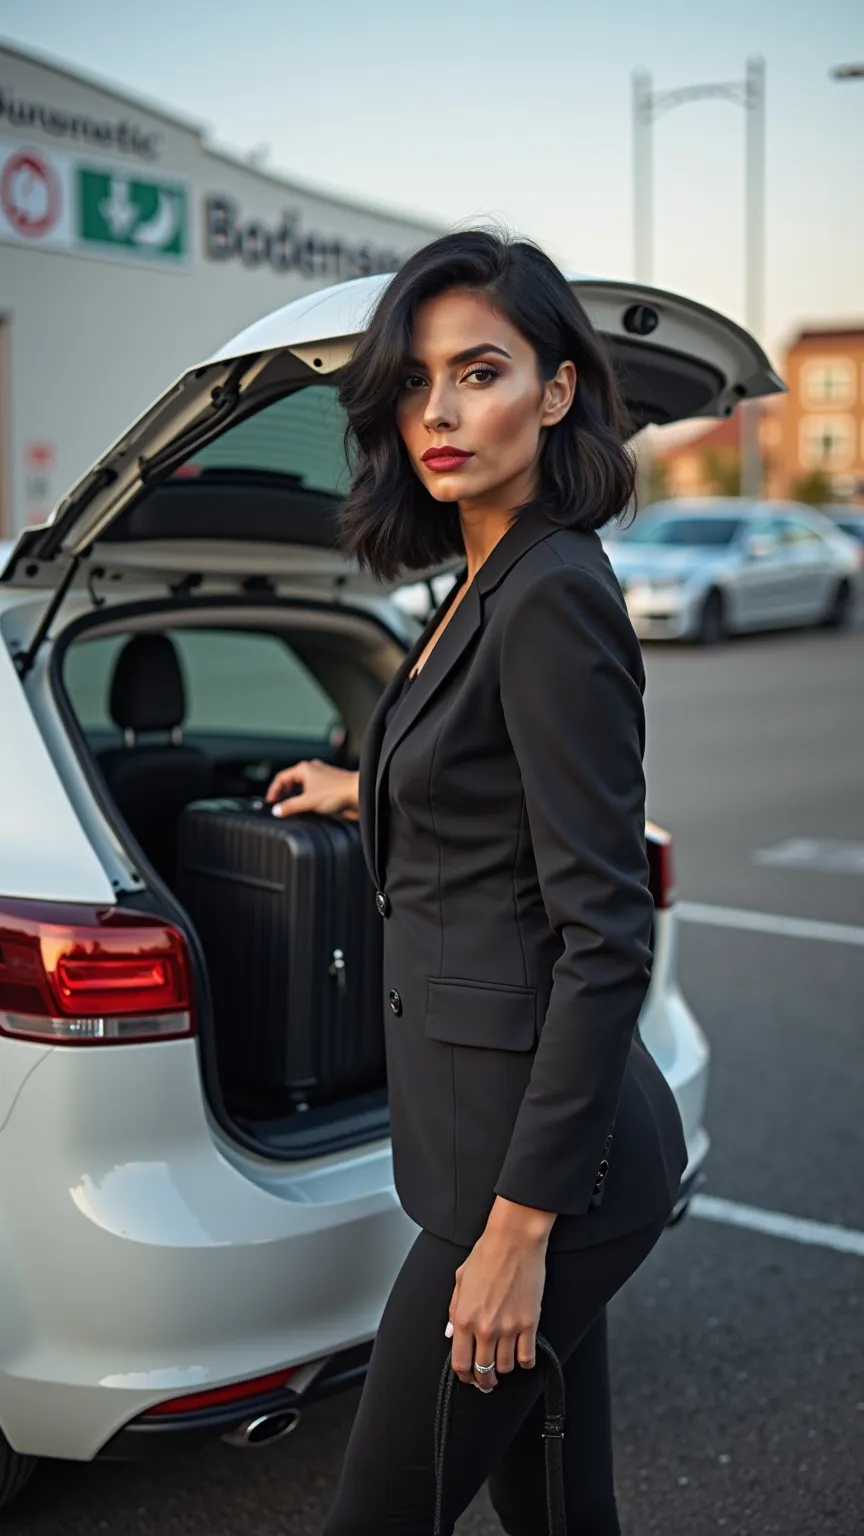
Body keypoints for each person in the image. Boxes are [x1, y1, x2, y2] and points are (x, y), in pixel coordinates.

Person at [265, 229, 688, 1535]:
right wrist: (362, 787)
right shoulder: (479, 579)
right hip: (510, 1149)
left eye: (481, 372)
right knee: (563, 1512)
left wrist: (515, 1235)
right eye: (415, 381)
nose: (438, 412)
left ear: (558, 392)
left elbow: (607, 933)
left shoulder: (553, 591)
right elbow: (486, 769)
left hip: (539, 1175)